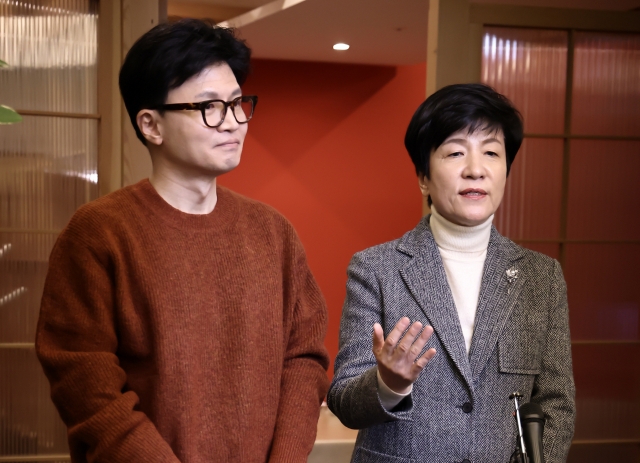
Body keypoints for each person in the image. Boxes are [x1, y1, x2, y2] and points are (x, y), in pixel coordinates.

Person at [36, 19, 329, 463]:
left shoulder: (273, 232)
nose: (232, 123)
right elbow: (84, 379)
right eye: (210, 107)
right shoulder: (99, 232)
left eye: (238, 104)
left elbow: (303, 359)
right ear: (151, 125)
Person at [327, 84, 575, 463]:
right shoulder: (375, 269)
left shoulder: (541, 277)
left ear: (506, 170)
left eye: (491, 152)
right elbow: (344, 400)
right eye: (456, 152)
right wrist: (388, 384)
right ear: (423, 176)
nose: (475, 169)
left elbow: (556, 402)